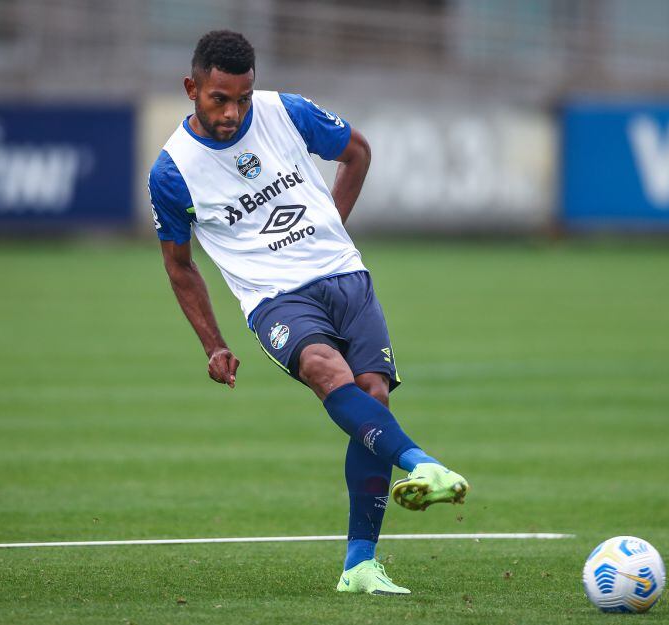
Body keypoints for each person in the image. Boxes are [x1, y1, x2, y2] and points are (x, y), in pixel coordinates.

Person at [148, 30, 469, 596]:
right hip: (275, 297)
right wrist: (213, 343)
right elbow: (180, 265)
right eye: (219, 98)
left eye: (243, 97)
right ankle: (422, 463)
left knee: (373, 397)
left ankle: (360, 568)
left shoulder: (286, 112)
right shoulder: (173, 171)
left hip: (345, 276)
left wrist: (333, 226)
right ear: (191, 88)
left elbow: (358, 151)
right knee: (327, 370)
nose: (233, 111)